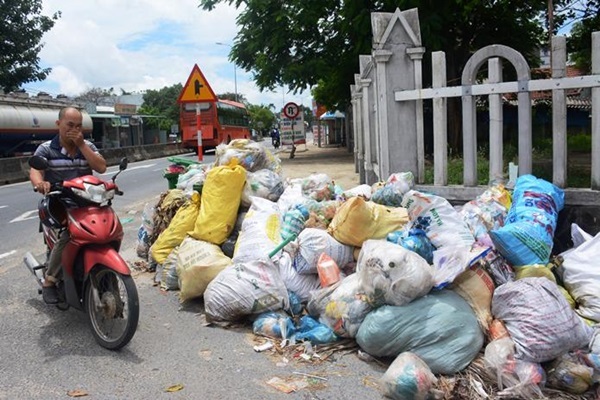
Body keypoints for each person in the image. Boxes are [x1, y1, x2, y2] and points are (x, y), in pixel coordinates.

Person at [29, 107, 107, 304]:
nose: (74, 129)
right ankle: (50, 281)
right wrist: (40, 183)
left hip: (86, 202)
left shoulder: (86, 145)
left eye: (79, 126)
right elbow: (35, 171)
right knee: (69, 235)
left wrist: (81, 144)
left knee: (107, 224)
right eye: (70, 125)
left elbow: (101, 167)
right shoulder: (46, 148)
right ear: (58, 124)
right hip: (58, 202)